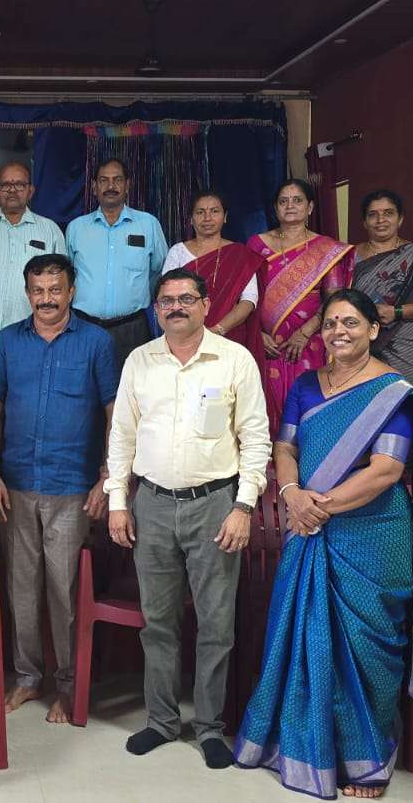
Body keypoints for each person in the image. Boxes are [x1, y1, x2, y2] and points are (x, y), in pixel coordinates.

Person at [234, 288, 413, 799]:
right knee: (305, 634)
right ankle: (305, 744)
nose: (339, 332)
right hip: (308, 524)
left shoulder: (392, 392)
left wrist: (318, 507)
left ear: (374, 329)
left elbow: (387, 470)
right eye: (331, 323)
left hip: (373, 533)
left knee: (368, 642)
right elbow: (285, 446)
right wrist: (292, 494)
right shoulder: (305, 385)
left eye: (351, 323)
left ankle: (365, 757)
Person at [103, 267, 270, 770]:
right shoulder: (140, 360)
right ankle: (161, 721)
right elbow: (121, 436)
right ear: (156, 309)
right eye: (167, 300)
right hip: (151, 505)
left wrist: (244, 506)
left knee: (216, 624)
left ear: (205, 305)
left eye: (186, 299)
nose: (176, 307)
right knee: (158, 624)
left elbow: (255, 438)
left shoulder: (234, 360)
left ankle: (211, 728)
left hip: (216, 506)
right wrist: (117, 501)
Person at [0, 253, 118, 723]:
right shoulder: (7, 340)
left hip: (72, 485)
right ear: (27, 293)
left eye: (55, 290)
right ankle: (27, 677)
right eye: (38, 291)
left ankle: (68, 684)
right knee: (21, 588)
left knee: (64, 591)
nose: (46, 299)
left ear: (71, 292)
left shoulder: (96, 342)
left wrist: (107, 476)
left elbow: (114, 412)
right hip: (16, 483)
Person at [248, 178, 354, 429]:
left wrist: (304, 333)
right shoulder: (257, 245)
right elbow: (246, 295)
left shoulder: (326, 249)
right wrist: (257, 334)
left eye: (297, 200)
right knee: (265, 405)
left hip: (310, 341)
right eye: (283, 201)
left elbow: (335, 300)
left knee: (308, 404)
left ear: (310, 207)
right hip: (267, 343)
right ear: (275, 208)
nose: (290, 206)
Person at [66, 156, 167, 366]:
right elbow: (66, 276)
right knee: (84, 383)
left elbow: (159, 272)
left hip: (133, 328)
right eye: (104, 180)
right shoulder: (76, 228)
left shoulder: (148, 225)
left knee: (133, 385)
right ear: (94, 187)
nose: (110, 186)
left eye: (117, 180)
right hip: (84, 326)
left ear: (127, 185)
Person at [353, 190, 413, 398]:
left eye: (388, 213)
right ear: (364, 222)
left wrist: (396, 312)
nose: (381, 220)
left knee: (398, 401)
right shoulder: (348, 256)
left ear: (400, 219)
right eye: (373, 214)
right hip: (357, 341)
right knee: (359, 404)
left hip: (402, 341)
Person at [0, 161, 67, 342]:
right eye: (6, 185)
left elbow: (61, 284)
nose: (12, 190)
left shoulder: (50, 230)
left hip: (35, 334)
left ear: (30, 191)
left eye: (19, 184)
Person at [161, 189, 264, 357]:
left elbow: (249, 300)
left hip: (229, 338)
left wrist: (217, 331)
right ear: (191, 219)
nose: (207, 218)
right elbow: (167, 296)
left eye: (214, 211)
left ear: (225, 217)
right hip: (184, 339)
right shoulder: (177, 252)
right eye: (200, 212)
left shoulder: (240, 254)